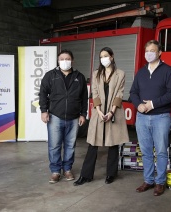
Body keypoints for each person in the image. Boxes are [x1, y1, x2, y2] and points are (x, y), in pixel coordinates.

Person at [73, 47, 129, 186]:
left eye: (105, 55)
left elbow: (119, 94)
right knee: (93, 143)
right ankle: (86, 175)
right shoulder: (96, 74)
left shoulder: (120, 74)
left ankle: (111, 174)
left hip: (114, 112)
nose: (103, 58)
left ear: (112, 56)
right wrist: (98, 111)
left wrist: (111, 112)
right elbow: (95, 93)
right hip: (99, 112)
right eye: (101, 56)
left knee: (113, 143)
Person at [130, 40, 171, 196]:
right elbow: (133, 92)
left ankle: (160, 182)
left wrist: (153, 104)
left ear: (159, 53)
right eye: (147, 51)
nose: (149, 53)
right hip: (142, 117)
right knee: (145, 151)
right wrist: (138, 105)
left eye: (152, 50)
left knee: (161, 151)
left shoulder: (168, 71)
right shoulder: (141, 72)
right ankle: (148, 180)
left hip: (160, 117)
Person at [39, 49, 88, 184]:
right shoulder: (51, 76)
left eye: (67, 59)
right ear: (58, 61)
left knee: (70, 145)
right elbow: (43, 93)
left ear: (72, 60)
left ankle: (67, 169)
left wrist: (83, 114)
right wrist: (44, 111)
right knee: (54, 145)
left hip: (73, 117)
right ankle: (55, 171)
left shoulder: (80, 77)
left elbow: (84, 98)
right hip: (55, 116)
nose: (65, 61)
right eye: (62, 59)